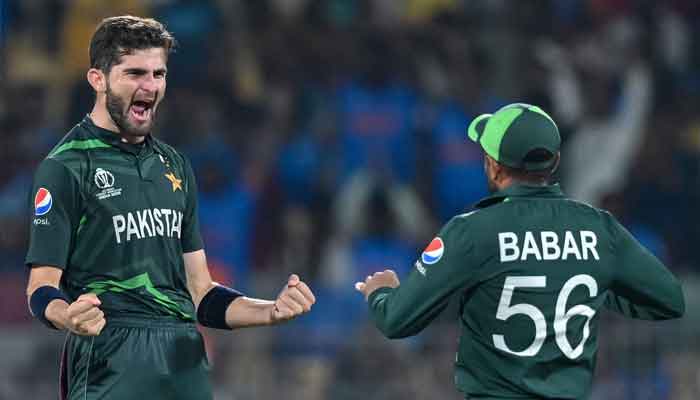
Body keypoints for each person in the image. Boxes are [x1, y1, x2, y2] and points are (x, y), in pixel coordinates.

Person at [25, 16, 315, 400]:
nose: (150, 86)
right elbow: (40, 287)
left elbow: (200, 292)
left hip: (183, 355)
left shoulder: (175, 165)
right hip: (110, 350)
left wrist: (270, 311)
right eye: (134, 73)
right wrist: (67, 316)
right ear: (98, 79)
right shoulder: (66, 166)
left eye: (158, 74)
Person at [355, 103, 685, 400]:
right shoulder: (599, 228)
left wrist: (379, 293)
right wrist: (596, 289)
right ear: (554, 161)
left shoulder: (472, 231)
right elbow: (669, 300)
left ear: (494, 166)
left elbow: (396, 320)